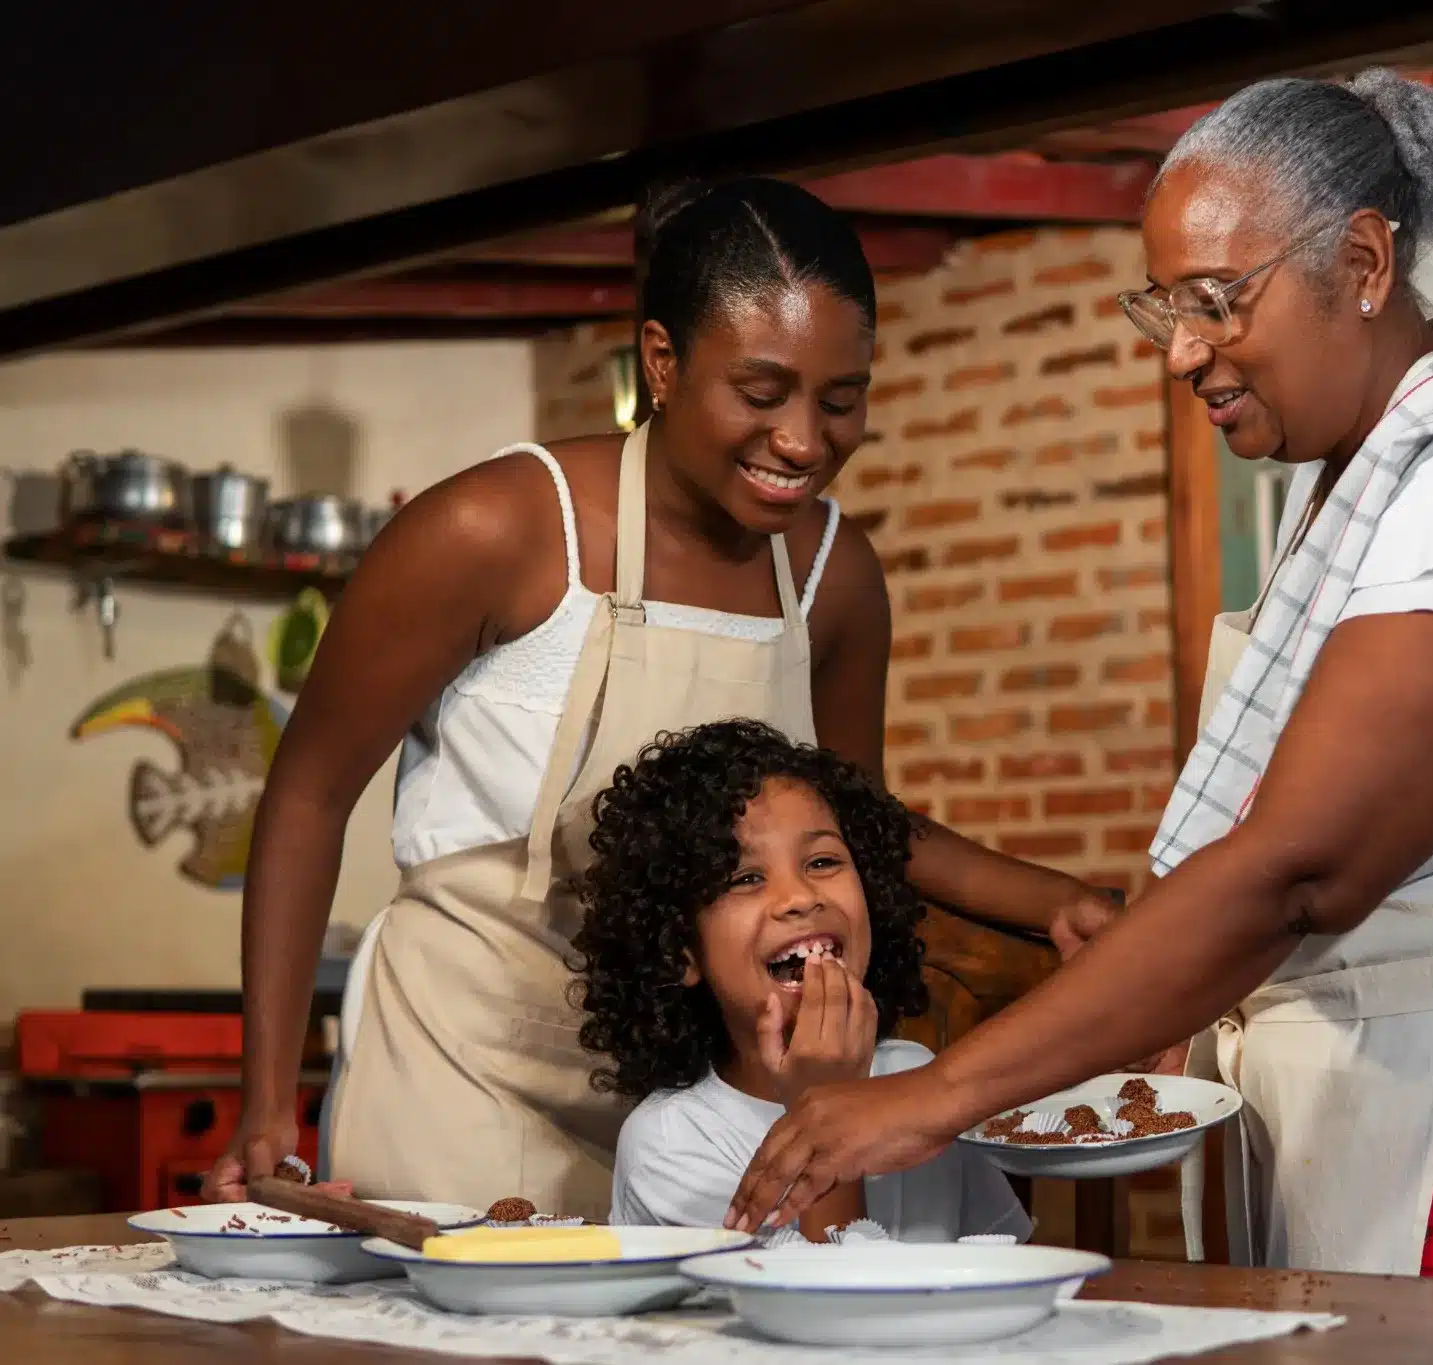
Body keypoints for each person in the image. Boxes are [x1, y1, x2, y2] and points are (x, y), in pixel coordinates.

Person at [724, 70, 1433, 1290]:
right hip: (1396, 1101)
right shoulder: (1349, 474)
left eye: (1216, 301)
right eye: (1166, 308)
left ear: (1358, 264)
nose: (1184, 351)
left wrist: (939, 1095)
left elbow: (1300, 867)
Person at [205, 177, 1113, 1220]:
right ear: (662, 362)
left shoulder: (833, 576)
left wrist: (1058, 904)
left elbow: (859, 824)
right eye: (761, 395)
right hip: (466, 1069)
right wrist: (267, 1097)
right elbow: (309, 793)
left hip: (701, 1096)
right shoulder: (494, 530)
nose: (805, 443)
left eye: (840, 398)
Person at [584, 720, 1031, 1243]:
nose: (800, 897)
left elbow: (1001, 1267)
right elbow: (829, 1313)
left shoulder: (917, 1080)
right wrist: (828, 1109)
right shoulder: (673, 1141)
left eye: (822, 862)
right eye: (746, 878)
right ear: (682, 954)